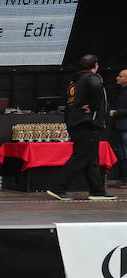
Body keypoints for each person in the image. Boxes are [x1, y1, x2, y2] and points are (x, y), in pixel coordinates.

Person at [48, 55, 115, 200]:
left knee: (91, 159)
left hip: (75, 122)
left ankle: (97, 191)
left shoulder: (74, 80)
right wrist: (94, 105)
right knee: (80, 157)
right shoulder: (92, 77)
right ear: (95, 65)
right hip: (87, 123)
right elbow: (97, 87)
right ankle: (58, 188)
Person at [110, 68, 127, 189]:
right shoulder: (120, 90)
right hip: (120, 126)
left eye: (120, 76)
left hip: (125, 127)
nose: (117, 78)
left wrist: (116, 112)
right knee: (122, 154)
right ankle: (124, 179)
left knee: (125, 153)